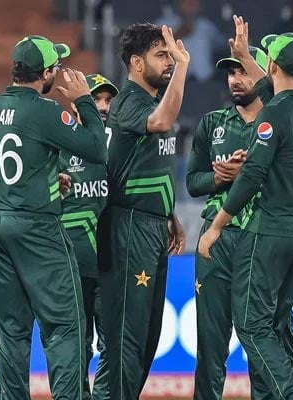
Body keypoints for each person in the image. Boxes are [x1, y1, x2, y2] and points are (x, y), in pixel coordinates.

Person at [0, 35, 108, 399]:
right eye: (56, 67)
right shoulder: (46, 111)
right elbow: (97, 149)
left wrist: (43, 180)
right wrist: (83, 100)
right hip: (36, 229)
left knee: (11, 331)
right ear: (45, 72)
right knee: (65, 326)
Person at [198, 27, 293, 398]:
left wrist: (217, 226)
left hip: (266, 232)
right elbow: (273, 89)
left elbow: (252, 174)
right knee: (279, 326)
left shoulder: (272, 117)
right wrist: (245, 55)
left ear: (272, 64)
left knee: (253, 328)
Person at [97, 23, 187, 399]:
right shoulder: (131, 101)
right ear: (136, 63)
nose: (168, 61)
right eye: (160, 55)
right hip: (129, 226)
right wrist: (183, 65)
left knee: (148, 337)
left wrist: (169, 214)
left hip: (152, 225)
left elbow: (148, 165)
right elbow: (162, 123)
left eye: (170, 54)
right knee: (126, 339)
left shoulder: (150, 101)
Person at [186, 45, 270, 400]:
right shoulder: (212, 123)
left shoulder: (279, 123)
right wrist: (219, 179)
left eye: (244, 72)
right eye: (231, 72)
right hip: (215, 242)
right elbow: (193, 183)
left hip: (262, 236)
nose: (236, 79)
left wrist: (249, 173)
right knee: (211, 342)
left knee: (262, 339)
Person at [59, 73, 118, 400]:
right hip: (70, 264)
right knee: (74, 343)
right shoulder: (59, 143)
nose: (104, 107)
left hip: (109, 263)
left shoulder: (120, 148)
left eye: (109, 100)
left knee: (111, 342)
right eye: (97, 99)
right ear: (79, 102)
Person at [155, 0, 225, 81]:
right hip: (174, 82)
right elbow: (154, 50)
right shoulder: (163, 24)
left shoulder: (206, 25)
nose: (191, 3)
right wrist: (177, 36)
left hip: (206, 81)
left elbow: (222, 44)